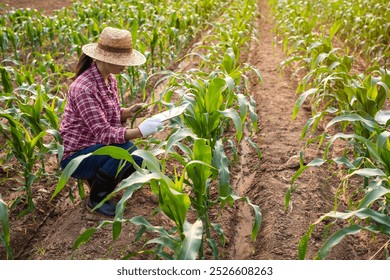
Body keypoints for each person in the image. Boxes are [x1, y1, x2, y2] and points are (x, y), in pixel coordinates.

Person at [59, 27, 164, 217]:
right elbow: (105, 133)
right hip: (78, 156)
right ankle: (97, 199)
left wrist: (127, 112)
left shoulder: (109, 79)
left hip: (96, 146)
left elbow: (109, 115)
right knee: (124, 150)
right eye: (120, 61)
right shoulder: (84, 88)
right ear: (102, 58)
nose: (125, 65)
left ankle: (100, 179)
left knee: (142, 159)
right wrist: (141, 131)